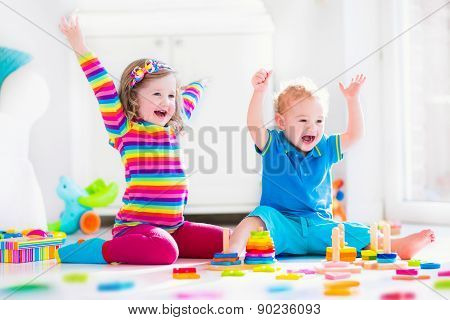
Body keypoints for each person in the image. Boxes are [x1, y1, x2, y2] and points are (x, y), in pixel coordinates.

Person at [57, 14, 224, 265]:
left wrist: (204, 81)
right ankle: (101, 250)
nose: (166, 102)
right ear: (134, 100)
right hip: (136, 227)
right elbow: (101, 85)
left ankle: (167, 243)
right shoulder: (125, 128)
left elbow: (189, 96)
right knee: (166, 252)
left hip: (174, 227)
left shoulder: (174, 126)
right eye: (156, 94)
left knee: (226, 240)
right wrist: (80, 46)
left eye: (170, 95)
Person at [229, 69, 435, 260]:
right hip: (281, 225)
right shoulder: (273, 143)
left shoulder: (326, 147)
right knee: (256, 218)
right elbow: (254, 126)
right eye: (303, 121)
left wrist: (352, 100)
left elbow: (355, 135)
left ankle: (395, 246)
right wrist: (258, 92)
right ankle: (233, 250)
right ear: (281, 122)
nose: (313, 127)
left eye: (319, 121)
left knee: (358, 231)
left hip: (320, 225)